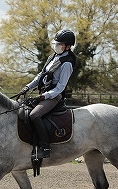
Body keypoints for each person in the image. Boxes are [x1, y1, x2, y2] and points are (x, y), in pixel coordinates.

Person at [20, 29, 76, 159]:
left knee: (34, 114)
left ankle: (45, 147)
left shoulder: (67, 63)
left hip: (54, 97)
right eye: (56, 43)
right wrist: (28, 86)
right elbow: (41, 75)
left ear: (68, 46)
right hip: (43, 93)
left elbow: (61, 87)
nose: (56, 46)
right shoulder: (53, 57)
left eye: (60, 44)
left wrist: (44, 96)